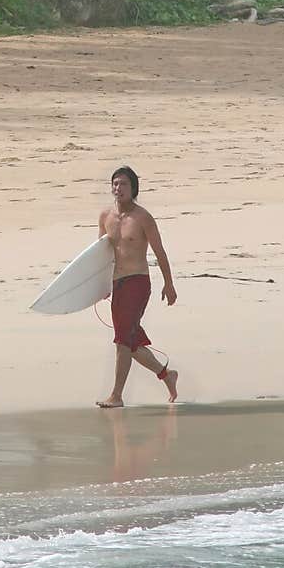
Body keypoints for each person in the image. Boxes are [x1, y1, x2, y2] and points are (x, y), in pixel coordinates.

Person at [96, 166, 178, 408]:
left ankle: (116, 395)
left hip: (137, 282)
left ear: (133, 189)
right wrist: (100, 286)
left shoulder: (143, 218)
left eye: (123, 184)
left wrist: (169, 283)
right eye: (115, 184)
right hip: (116, 284)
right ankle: (167, 375)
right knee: (131, 343)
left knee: (122, 340)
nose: (118, 188)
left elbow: (159, 251)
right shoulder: (105, 217)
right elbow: (101, 255)